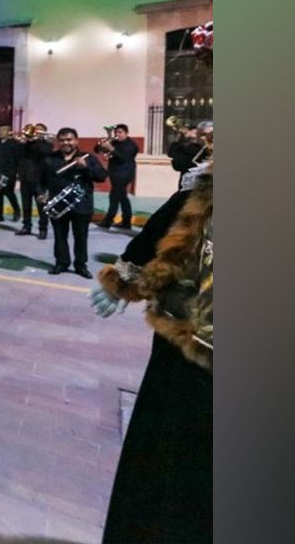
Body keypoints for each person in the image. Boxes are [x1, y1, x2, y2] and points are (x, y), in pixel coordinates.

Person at [88, 160, 211, 543]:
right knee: (171, 471)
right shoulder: (205, 193)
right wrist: (123, 280)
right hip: (187, 355)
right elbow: (168, 230)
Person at [41, 127, 108, 278]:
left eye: (69, 139)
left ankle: (80, 265)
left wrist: (86, 167)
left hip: (81, 205)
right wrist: (41, 193)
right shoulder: (50, 159)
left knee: (81, 237)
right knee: (59, 236)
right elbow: (41, 179)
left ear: (76, 141)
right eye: (63, 140)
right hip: (58, 204)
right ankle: (62, 263)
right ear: (58, 141)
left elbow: (102, 176)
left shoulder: (87, 158)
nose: (66, 143)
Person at [97, 123, 139, 230]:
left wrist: (111, 148)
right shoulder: (115, 142)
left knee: (114, 197)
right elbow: (97, 150)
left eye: (120, 133)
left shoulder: (132, 145)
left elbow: (123, 157)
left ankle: (108, 221)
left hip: (125, 174)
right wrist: (101, 145)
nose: (117, 135)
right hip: (115, 173)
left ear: (126, 133)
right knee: (122, 197)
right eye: (116, 133)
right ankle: (126, 222)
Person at [16, 123, 53, 239]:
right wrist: (24, 141)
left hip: (39, 179)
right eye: (35, 131)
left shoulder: (47, 145)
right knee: (26, 205)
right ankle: (26, 226)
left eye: (39, 131)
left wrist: (33, 140)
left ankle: (43, 229)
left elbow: (41, 152)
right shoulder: (26, 144)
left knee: (42, 206)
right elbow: (19, 154)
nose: (36, 133)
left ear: (43, 133)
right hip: (25, 178)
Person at [0, 124, 21, 222]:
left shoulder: (14, 144)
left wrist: (15, 172)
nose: (1, 132)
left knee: (9, 193)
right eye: (0, 130)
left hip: (10, 173)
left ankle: (17, 211)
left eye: (4, 130)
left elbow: (17, 159)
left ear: (8, 132)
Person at [168, 119, 212, 187]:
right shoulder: (188, 149)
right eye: (203, 135)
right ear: (197, 136)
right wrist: (180, 138)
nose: (208, 138)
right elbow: (176, 162)